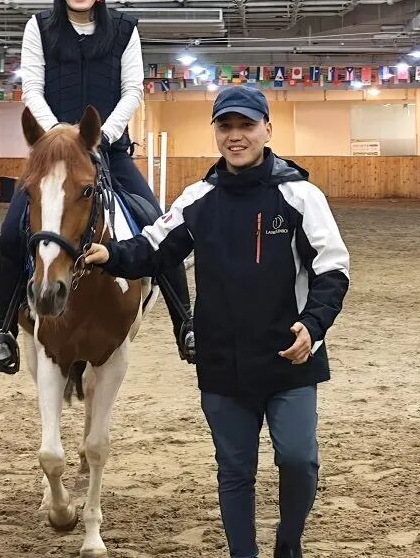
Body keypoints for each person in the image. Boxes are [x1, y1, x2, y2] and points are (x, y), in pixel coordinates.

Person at [84, 86, 350, 558]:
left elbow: (332, 269)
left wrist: (314, 325)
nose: (235, 136)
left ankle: (289, 543)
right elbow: (153, 248)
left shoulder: (300, 195)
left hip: (290, 357)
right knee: (234, 470)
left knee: (299, 459)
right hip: (222, 361)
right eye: (226, 126)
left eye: (247, 125)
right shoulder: (197, 198)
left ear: (267, 130)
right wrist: (112, 255)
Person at [0, 0, 194, 373]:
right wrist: (60, 135)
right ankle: (3, 333)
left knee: (157, 224)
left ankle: (186, 324)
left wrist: (100, 137)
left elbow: (133, 91)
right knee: (10, 233)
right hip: (53, 155)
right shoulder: (38, 27)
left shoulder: (125, 30)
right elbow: (32, 89)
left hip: (108, 151)